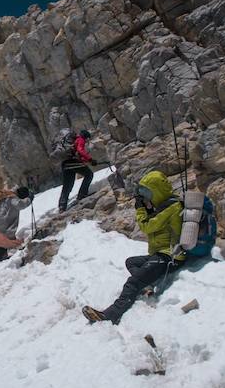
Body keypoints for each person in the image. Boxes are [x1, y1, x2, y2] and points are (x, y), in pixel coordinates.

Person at [82, 170, 185, 324]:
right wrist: (149, 208)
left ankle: (111, 314)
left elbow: (147, 227)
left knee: (133, 282)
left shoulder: (172, 208)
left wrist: (141, 209)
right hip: (162, 254)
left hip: (170, 256)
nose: (145, 196)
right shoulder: (166, 206)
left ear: (156, 191)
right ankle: (146, 284)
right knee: (131, 262)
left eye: (147, 192)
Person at [53, 128, 95, 212]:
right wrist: (90, 159)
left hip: (65, 163)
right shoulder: (80, 139)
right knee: (89, 174)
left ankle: (62, 206)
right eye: (87, 139)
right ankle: (82, 195)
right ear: (86, 137)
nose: (86, 141)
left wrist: (85, 160)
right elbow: (80, 150)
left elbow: (78, 153)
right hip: (72, 161)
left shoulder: (70, 142)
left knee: (67, 185)